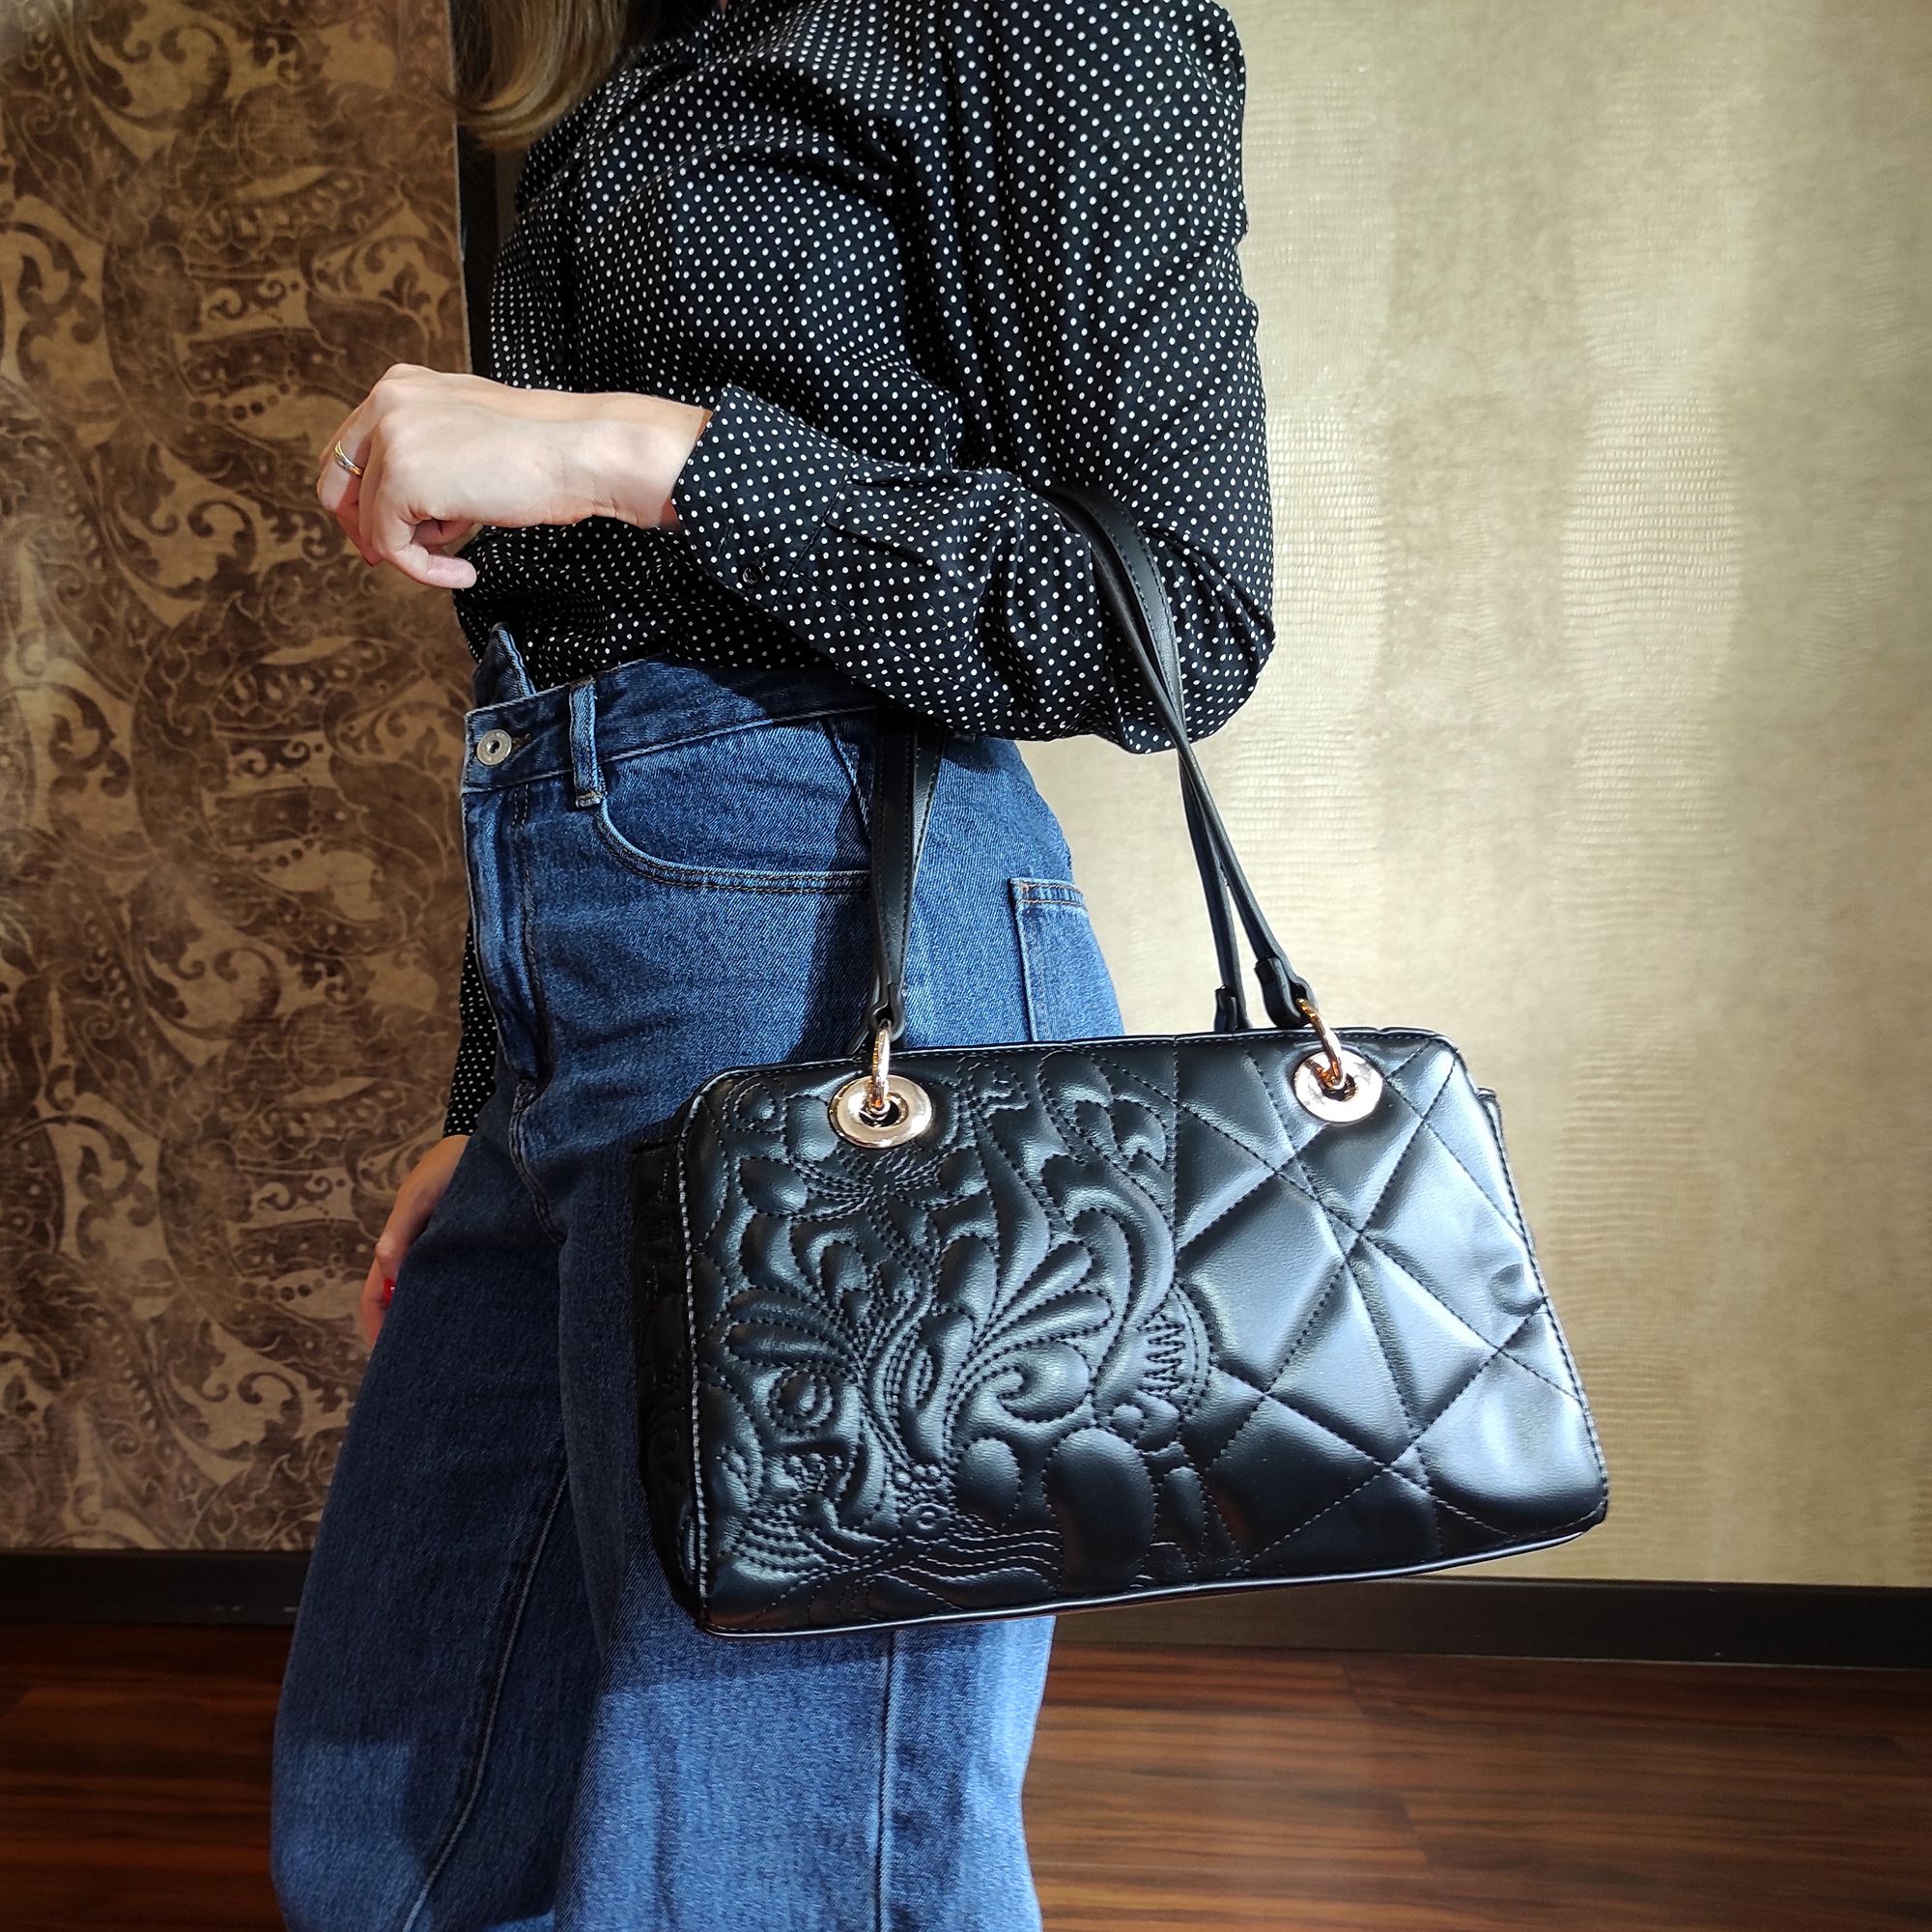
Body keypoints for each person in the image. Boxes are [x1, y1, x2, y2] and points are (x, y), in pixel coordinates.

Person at [269, 0, 1276, 1925]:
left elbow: (1166, 612)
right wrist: (494, 1096)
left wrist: (640, 450)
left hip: (841, 957)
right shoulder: (627, 42)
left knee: (776, 1851)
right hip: (582, 975)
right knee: (393, 1823)